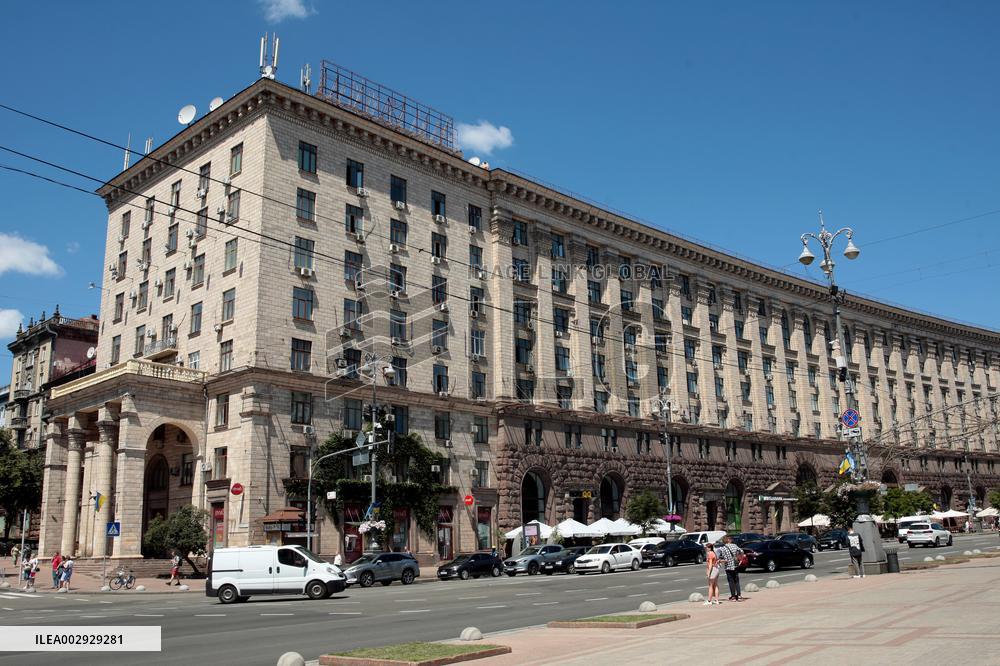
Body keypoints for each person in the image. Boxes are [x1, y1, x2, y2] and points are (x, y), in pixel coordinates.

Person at [717, 536, 744, 601]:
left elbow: (720, 557)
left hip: (728, 567)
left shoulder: (723, 548)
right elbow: (742, 551)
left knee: (731, 581)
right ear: (729, 540)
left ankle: (733, 597)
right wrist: (740, 560)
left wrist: (720, 561)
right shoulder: (735, 545)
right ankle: (739, 596)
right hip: (736, 565)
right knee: (736, 581)